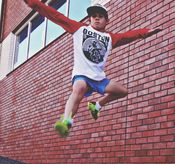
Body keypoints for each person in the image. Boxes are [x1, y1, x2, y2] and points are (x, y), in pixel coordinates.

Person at [23, 0, 161, 137]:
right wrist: (33, 3)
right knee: (79, 88)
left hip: (99, 78)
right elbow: (55, 15)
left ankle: (97, 106)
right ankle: (66, 121)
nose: (96, 18)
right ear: (89, 19)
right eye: (93, 16)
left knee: (122, 91)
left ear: (107, 21)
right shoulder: (79, 29)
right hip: (81, 74)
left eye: (100, 16)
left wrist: (146, 32)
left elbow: (128, 35)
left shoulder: (110, 38)